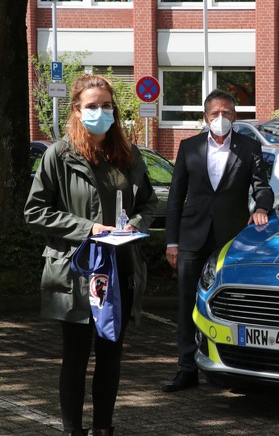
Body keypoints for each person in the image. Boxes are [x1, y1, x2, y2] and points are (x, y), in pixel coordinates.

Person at [25, 74, 159, 436]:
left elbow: (149, 202)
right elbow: (35, 211)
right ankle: (73, 430)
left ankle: (103, 429)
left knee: (111, 356)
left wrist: (133, 223)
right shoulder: (59, 155)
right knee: (76, 357)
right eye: (92, 106)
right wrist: (88, 228)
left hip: (120, 270)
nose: (100, 112)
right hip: (77, 271)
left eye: (106, 105)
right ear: (77, 110)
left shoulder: (128, 155)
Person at [162, 89, 274, 392]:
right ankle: (187, 368)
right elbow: (175, 199)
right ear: (205, 117)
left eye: (227, 113)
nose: (221, 118)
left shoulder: (249, 147)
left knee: (226, 303)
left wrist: (261, 207)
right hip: (191, 238)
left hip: (230, 239)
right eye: (215, 114)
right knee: (187, 303)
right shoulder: (189, 147)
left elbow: (262, 188)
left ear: (234, 116)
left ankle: (224, 366)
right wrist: (172, 242)